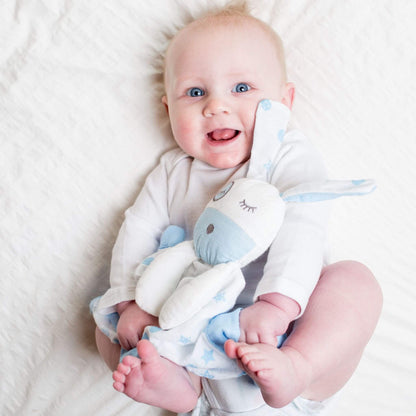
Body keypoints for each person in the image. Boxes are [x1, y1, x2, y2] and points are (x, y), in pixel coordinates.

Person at [93, 2, 383, 415]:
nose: (216, 106)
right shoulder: (173, 173)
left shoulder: (288, 157)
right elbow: (137, 230)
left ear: (284, 102)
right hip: (193, 346)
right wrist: (129, 303)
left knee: (355, 283)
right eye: (195, 93)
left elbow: (303, 226)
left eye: (242, 88)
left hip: (282, 339)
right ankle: (180, 391)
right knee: (108, 322)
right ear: (168, 110)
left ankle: (302, 366)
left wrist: (277, 306)